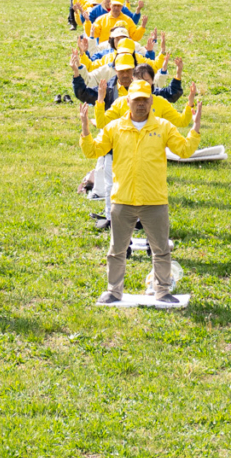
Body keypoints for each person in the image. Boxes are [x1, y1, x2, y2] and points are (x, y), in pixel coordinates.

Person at [80, 80, 205, 301]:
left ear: (151, 101)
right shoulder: (115, 127)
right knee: (117, 251)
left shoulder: (163, 127)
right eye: (136, 100)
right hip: (123, 199)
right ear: (128, 101)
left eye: (145, 100)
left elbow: (184, 150)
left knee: (161, 250)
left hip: (154, 200)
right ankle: (113, 291)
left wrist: (195, 129)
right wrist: (85, 128)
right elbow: (92, 151)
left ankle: (162, 291)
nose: (141, 104)